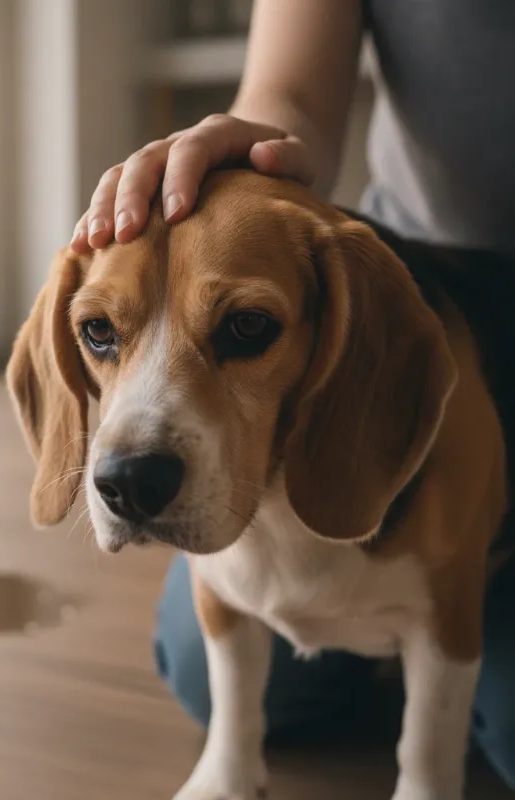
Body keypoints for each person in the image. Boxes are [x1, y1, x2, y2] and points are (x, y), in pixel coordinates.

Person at [70, 0, 515, 789]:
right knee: (206, 650)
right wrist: (232, 148)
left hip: (440, 323)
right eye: (102, 334)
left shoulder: (383, 345)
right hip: (398, 261)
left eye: (243, 330)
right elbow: (291, 101)